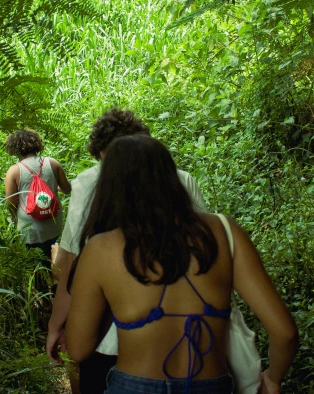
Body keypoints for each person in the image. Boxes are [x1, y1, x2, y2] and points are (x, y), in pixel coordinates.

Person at [66, 135, 298, 394]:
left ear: (111, 186)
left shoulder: (101, 248)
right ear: (170, 177)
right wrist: (273, 378)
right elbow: (285, 332)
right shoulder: (224, 231)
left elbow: (77, 348)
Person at [46, 109, 208, 394]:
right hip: (182, 335)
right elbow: (206, 256)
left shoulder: (88, 183)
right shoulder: (181, 181)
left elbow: (71, 264)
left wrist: (57, 326)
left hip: (108, 340)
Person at [4, 129, 71, 266]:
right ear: (37, 143)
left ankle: (41, 287)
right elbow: (67, 189)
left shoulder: (14, 171)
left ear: (15, 148)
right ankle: (57, 284)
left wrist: (15, 219)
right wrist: (53, 188)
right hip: (53, 222)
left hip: (30, 228)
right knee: (56, 260)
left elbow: (10, 203)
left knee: (37, 268)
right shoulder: (53, 163)